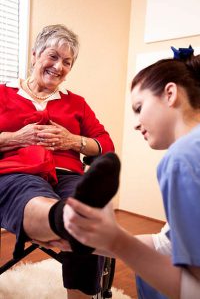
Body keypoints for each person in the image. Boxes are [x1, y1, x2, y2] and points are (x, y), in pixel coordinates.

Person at [63, 45, 200, 298]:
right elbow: (166, 245)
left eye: (139, 107)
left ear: (170, 93)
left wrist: (116, 239)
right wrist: (96, 241)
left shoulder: (182, 157)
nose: (136, 124)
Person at [0, 24, 116, 299]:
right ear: (35, 54)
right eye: (52, 56)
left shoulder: (76, 103)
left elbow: (105, 145)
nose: (59, 66)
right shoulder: (2, 94)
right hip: (18, 174)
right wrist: (14, 138)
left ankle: (74, 223)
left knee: (83, 201)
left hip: (68, 175)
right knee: (62, 210)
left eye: (67, 62)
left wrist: (72, 141)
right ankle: (68, 222)